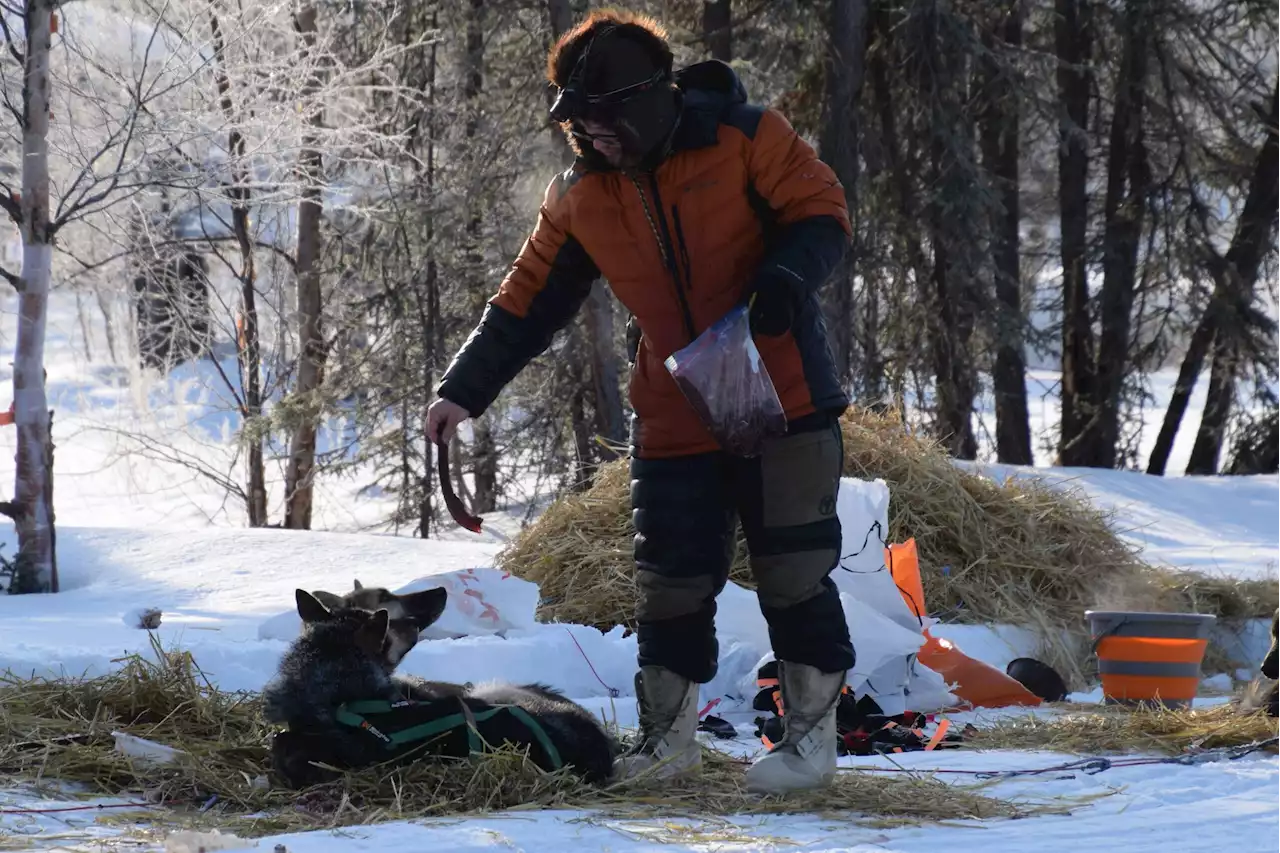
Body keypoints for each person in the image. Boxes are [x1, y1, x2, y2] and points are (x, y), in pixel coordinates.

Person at [426, 9, 855, 794]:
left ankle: (810, 747)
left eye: (602, 119)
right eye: (576, 124)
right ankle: (667, 745)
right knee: (669, 582)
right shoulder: (578, 196)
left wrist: (786, 280)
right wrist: (461, 390)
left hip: (784, 398)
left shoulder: (748, 138)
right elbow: (525, 303)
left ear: (650, 101)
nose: (590, 137)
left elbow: (822, 213)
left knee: (794, 574)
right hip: (674, 413)